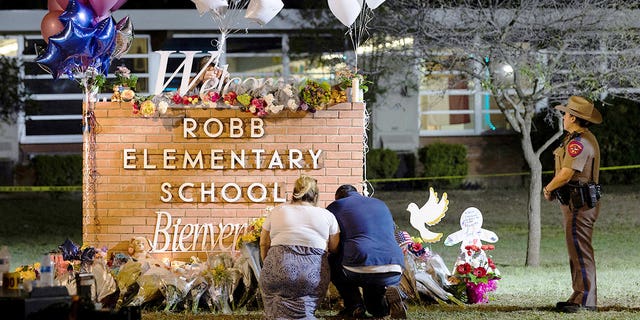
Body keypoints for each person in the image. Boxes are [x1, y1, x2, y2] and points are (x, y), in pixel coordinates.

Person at [543, 96, 602, 313]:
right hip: (576, 203)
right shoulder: (576, 138)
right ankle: (579, 295)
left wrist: (548, 188)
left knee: (580, 250)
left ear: (574, 118)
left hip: (580, 204)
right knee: (576, 250)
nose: (564, 117)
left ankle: (587, 300)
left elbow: (567, 174)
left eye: (566, 114)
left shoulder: (579, 143)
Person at [259, 175, 340, 319]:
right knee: (305, 311)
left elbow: (264, 243)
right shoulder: (327, 215)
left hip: (277, 268)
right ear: (315, 195)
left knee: (274, 312)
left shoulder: (277, 211)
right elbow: (334, 248)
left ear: (294, 192)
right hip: (311, 274)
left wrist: (268, 264)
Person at [326, 184, 407, 319]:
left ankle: (354, 306)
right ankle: (390, 303)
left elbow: (331, 240)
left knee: (332, 259)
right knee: (375, 309)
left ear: (338, 197)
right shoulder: (380, 203)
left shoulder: (336, 206)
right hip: (395, 265)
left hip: (361, 263)